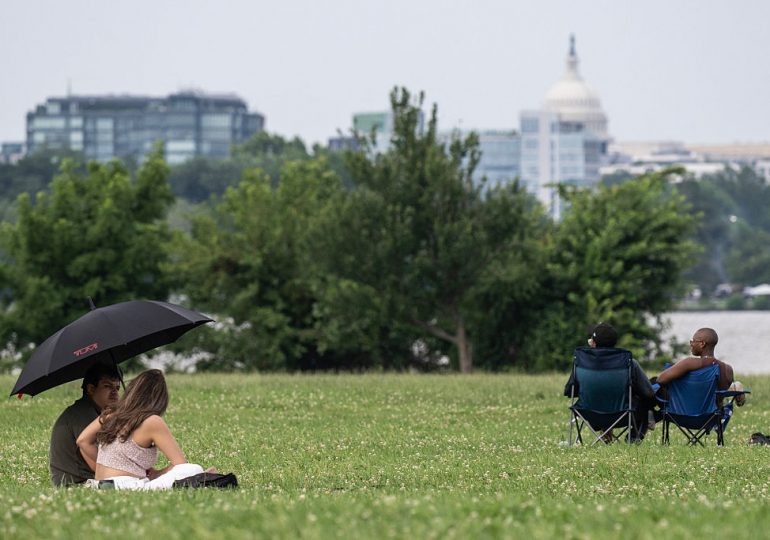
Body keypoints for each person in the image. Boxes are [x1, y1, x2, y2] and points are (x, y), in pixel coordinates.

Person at [77, 369, 211, 490]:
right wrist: (161, 472)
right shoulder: (152, 421)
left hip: (99, 485)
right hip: (125, 486)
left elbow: (83, 440)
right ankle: (205, 476)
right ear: (159, 398)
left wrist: (108, 465)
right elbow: (181, 464)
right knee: (193, 469)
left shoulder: (110, 413)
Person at [564, 322, 656, 440]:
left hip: (589, 414)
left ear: (594, 344)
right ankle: (633, 439)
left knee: (599, 396)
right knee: (646, 402)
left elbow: (570, 391)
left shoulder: (580, 363)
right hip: (622, 414)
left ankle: (606, 433)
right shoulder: (629, 363)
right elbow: (648, 393)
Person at [49, 362, 121, 487]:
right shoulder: (83, 415)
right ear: (91, 389)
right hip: (77, 485)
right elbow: (99, 467)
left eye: (117, 388)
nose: (114, 392)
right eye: (108, 386)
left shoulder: (96, 412)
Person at [656, 327, 733, 392]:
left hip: (681, 409)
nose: (691, 344)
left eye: (693, 341)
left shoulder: (689, 363)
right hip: (713, 410)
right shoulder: (728, 369)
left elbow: (660, 380)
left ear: (702, 344)